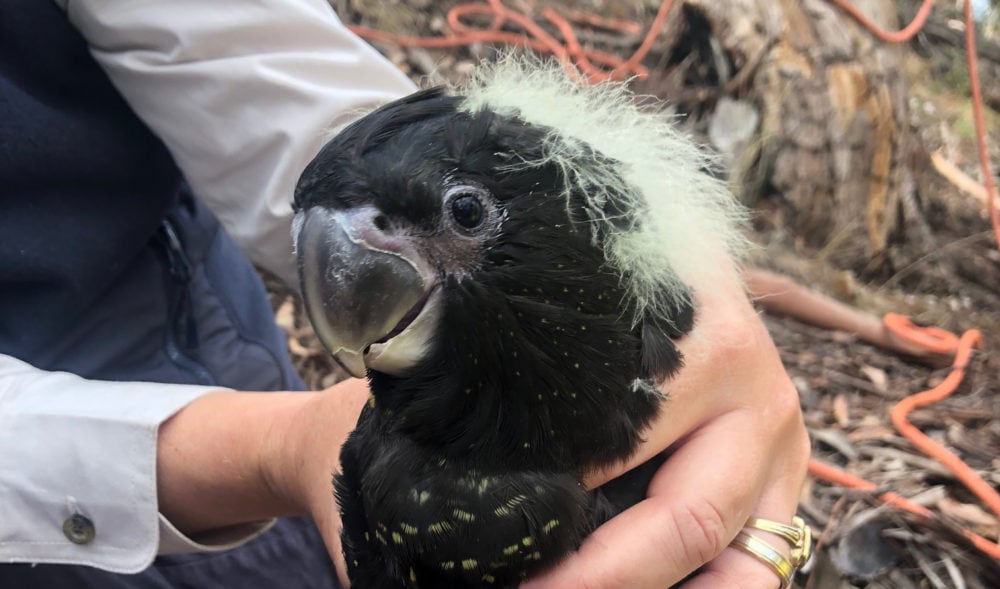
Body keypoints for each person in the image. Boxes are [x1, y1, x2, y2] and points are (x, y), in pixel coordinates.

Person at [0, 0, 810, 587]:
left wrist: (651, 246)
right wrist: (272, 450)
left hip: (175, 315)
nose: (359, 253)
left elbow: (233, 47)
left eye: (462, 218)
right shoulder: (371, 467)